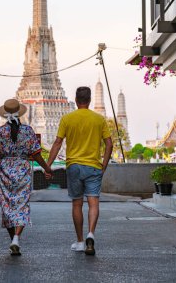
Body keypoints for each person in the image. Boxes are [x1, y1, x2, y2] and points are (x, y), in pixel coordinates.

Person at [45, 86, 113, 256]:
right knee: (93, 203)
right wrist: (104, 164)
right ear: (89, 101)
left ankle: (81, 241)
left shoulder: (68, 118)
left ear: (76, 100)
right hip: (93, 166)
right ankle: (91, 233)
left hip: (74, 166)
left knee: (77, 204)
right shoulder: (99, 119)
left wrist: (48, 165)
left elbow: (57, 143)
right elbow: (109, 144)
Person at [0, 98, 52, 256]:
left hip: (5, 173)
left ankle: (14, 240)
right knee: (21, 206)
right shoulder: (28, 131)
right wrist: (47, 168)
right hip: (23, 171)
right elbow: (36, 155)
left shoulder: (0, 132)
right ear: (19, 113)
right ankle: (16, 238)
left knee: (7, 208)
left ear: (5, 114)